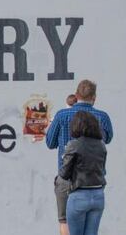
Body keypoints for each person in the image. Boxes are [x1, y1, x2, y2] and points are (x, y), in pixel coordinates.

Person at [46, 80, 113, 235]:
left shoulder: (62, 115)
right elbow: (108, 139)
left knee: (64, 222)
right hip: (94, 183)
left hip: (67, 180)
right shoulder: (102, 117)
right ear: (94, 97)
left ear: (76, 96)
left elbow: (50, 143)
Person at [59, 112, 107, 235]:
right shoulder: (101, 145)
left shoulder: (74, 144)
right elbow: (102, 169)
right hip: (98, 195)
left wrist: (65, 156)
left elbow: (64, 173)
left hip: (79, 194)